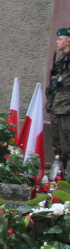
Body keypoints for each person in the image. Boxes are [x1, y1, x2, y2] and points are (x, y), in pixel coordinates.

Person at [48, 27, 70, 163]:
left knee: (67, 142)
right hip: (57, 106)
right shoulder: (61, 60)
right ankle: (60, 177)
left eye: (60, 39)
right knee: (58, 144)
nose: (57, 42)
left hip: (66, 108)